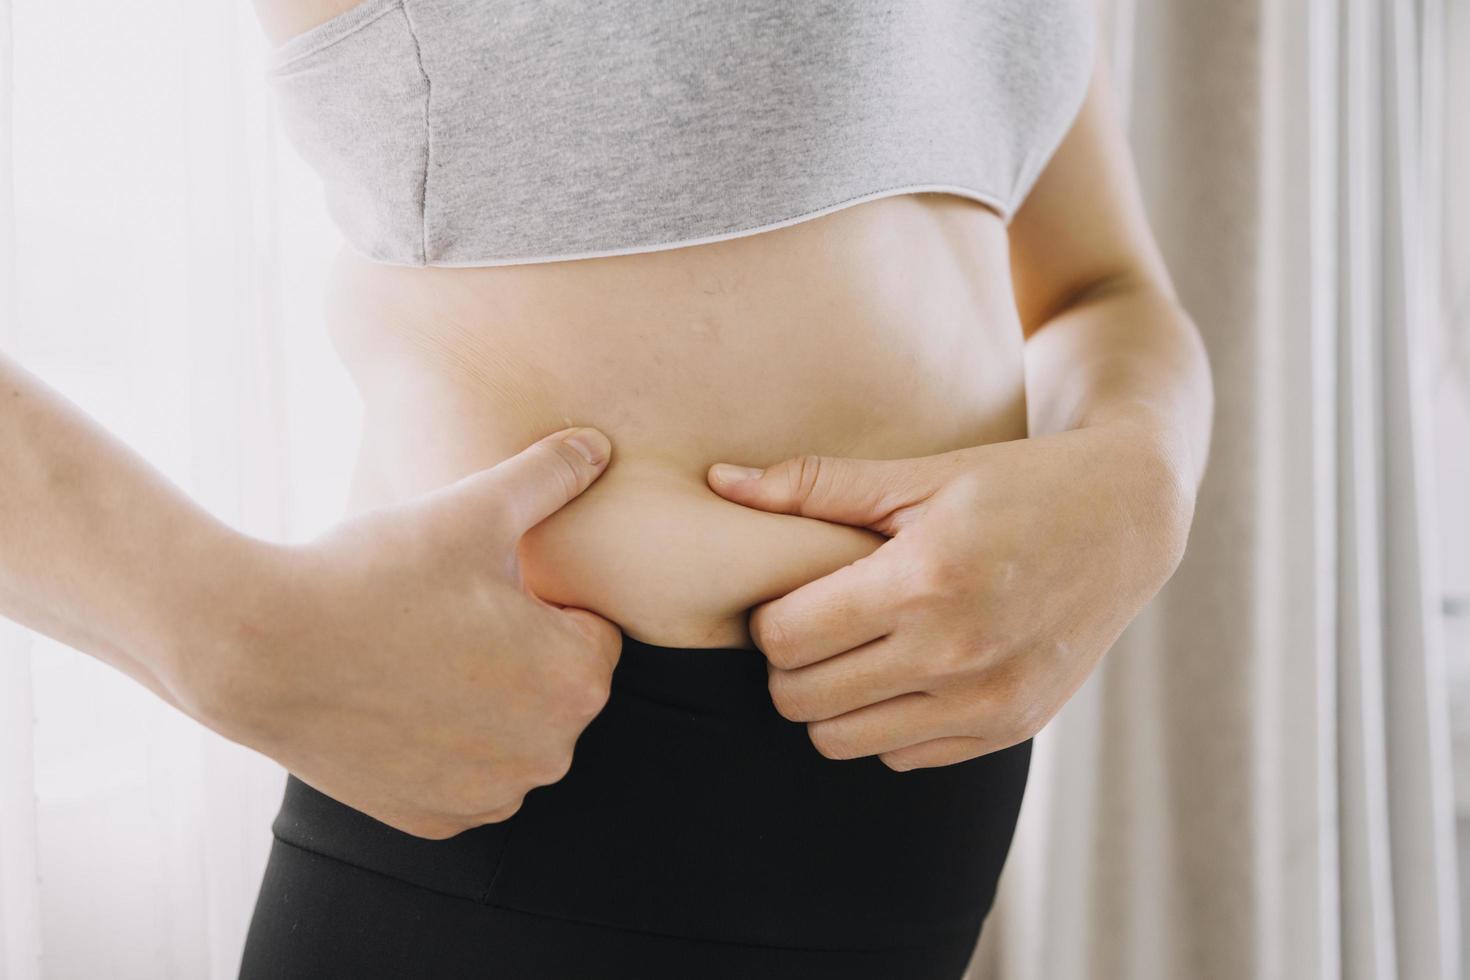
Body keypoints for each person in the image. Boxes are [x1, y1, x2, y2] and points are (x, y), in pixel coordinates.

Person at [0, 0, 1213, 977]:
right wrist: (224, 637)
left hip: (911, 849)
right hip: (535, 831)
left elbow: (1100, 286)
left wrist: (1144, 476)